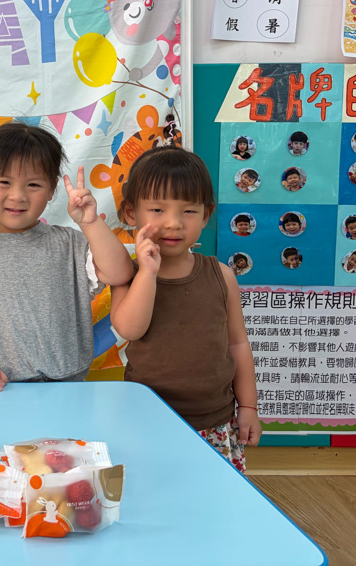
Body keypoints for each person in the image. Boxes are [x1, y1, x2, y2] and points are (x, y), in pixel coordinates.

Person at [0, 122, 134, 391]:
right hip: (2, 390)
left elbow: (120, 273)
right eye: (4, 182)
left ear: (52, 189)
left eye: (33, 184)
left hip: (71, 386)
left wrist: (91, 223)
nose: (17, 196)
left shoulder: (70, 242)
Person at [110, 146, 261, 473]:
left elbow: (238, 344)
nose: (174, 223)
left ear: (206, 215)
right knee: (151, 494)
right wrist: (148, 272)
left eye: (189, 211)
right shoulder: (128, 275)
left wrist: (248, 406)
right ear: (131, 213)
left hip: (215, 422)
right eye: (157, 209)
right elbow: (129, 329)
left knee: (213, 496)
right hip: (147, 421)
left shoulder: (222, 275)